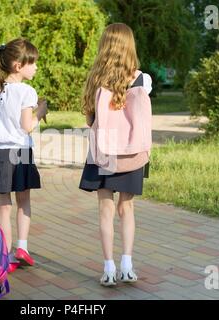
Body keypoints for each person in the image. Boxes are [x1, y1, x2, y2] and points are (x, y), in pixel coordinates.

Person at [79, 23, 153, 286]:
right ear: (129, 46)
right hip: (132, 151)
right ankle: (127, 265)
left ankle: (108, 268)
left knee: (105, 210)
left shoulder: (94, 80)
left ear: (104, 46)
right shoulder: (143, 80)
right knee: (127, 208)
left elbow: (90, 120)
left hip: (104, 152)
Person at [0, 38, 48, 273]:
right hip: (20, 152)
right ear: (18, 65)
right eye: (32, 63)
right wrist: (41, 111)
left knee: (3, 205)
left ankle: (4, 254)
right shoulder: (27, 91)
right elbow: (27, 126)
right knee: (24, 200)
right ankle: (21, 248)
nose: (35, 67)